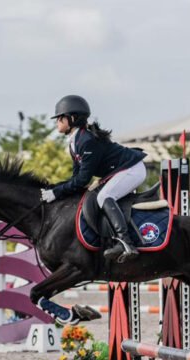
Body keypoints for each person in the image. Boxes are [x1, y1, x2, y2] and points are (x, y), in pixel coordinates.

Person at [40, 95, 147, 262]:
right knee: (98, 194)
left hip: (132, 169)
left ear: (72, 118)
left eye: (60, 118)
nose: (57, 122)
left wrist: (56, 193)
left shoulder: (86, 140)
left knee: (104, 196)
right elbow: (75, 178)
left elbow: (82, 180)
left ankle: (125, 243)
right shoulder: (75, 142)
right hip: (119, 171)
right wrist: (54, 189)